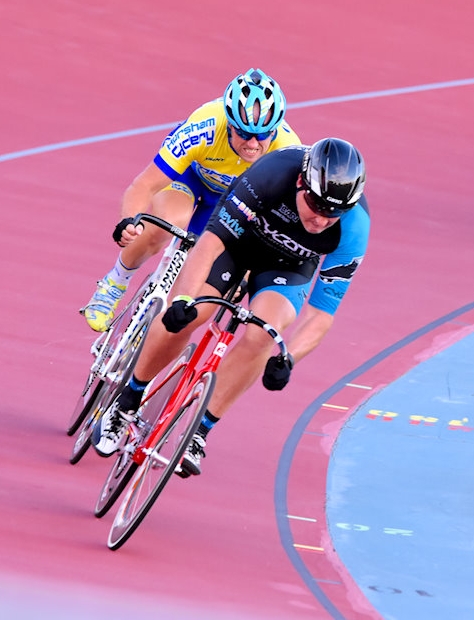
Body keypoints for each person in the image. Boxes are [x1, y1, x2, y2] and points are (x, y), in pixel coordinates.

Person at [92, 138, 371, 477]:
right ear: (301, 182)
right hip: (236, 243)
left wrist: (289, 358)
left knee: (263, 334)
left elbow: (322, 313)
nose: (321, 219)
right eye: (315, 204)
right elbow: (208, 246)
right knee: (192, 313)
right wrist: (182, 300)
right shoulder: (272, 174)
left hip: (286, 268)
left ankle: (199, 431)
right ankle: (128, 400)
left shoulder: (355, 226)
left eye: (335, 213)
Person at [82, 69, 300, 332]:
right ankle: (115, 282)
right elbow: (144, 185)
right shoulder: (204, 127)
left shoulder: (287, 153)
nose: (253, 143)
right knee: (166, 223)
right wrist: (128, 220)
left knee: (199, 274)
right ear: (229, 124)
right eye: (244, 133)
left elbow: (276, 228)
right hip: (189, 178)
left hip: (233, 200)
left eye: (263, 135)